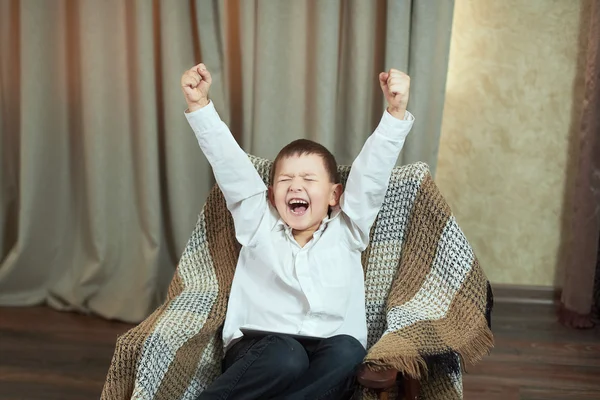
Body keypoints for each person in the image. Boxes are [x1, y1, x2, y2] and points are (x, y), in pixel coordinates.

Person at [181, 62, 414, 400]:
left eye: (308, 180)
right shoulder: (257, 221)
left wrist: (395, 111)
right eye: (286, 180)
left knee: (349, 351)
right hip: (262, 349)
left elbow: (372, 175)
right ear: (272, 195)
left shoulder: (348, 229)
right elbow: (229, 164)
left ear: (335, 195)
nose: (295, 187)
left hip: (328, 349)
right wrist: (200, 106)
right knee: (286, 356)